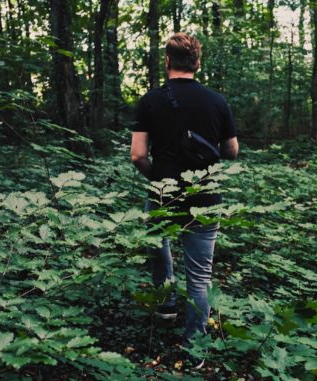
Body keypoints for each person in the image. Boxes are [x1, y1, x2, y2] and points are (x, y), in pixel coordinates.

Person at [130, 32, 239, 369]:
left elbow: (137, 155)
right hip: (205, 198)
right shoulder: (217, 101)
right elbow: (232, 150)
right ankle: (195, 353)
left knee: (157, 242)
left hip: (163, 195)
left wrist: (159, 181)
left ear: (167, 62)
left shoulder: (150, 100)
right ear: (197, 63)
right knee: (200, 276)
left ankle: (165, 306)